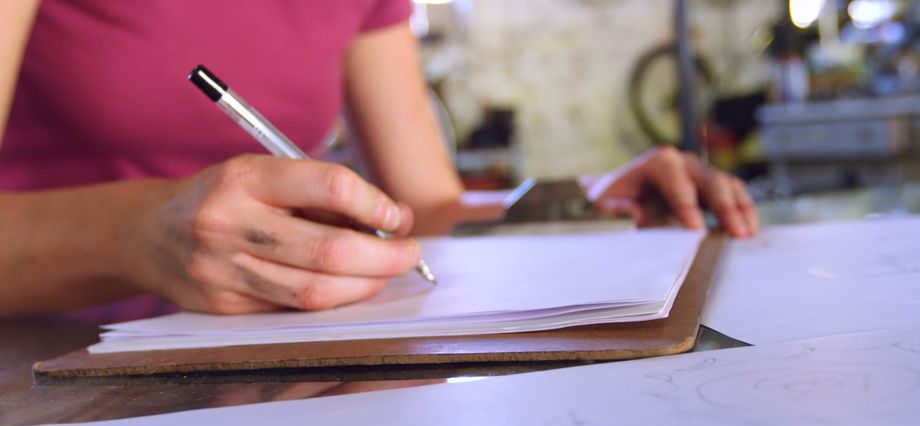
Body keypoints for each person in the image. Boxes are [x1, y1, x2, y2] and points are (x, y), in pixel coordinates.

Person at [0, 0, 758, 322]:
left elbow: (424, 203)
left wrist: (580, 196)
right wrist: (137, 234)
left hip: (261, 373)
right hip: (41, 375)